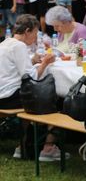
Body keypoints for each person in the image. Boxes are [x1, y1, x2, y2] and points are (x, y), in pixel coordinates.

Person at [0, 15, 57, 159]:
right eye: (35, 33)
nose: (35, 37)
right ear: (27, 31)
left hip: (2, 94)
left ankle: (23, 145)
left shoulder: (5, 43)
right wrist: (45, 63)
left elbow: (14, 69)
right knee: (52, 100)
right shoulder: (19, 46)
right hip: (9, 97)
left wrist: (32, 60)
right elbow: (31, 78)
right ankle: (48, 147)